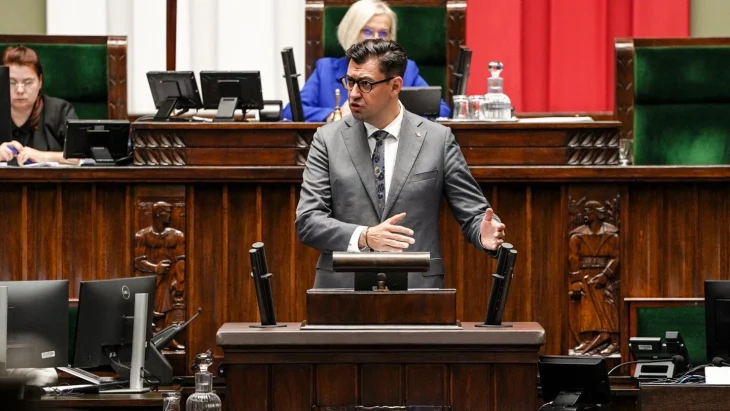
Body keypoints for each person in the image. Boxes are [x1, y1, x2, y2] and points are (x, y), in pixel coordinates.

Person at [295, 39, 504, 289]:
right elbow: (308, 220)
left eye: (365, 84)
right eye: (350, 81)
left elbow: (474, 213)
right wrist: (364, 237)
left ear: (395, 86)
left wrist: (483, 232)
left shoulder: (437, 139)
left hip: (417, 288)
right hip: (342, 288)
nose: (353, 93)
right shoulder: (327, 139)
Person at [282, 0, 450, 122]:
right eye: (368, 31)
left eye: (383, 33)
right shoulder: (325, 69)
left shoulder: (407, 69)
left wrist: (393, 116)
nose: (376, 38)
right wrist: (335, 115)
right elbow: (291, 112)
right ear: (351, 32)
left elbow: (441, 110)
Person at [0, 45, 78, 165]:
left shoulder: (60, 111)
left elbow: (79, 157)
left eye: (28, 82)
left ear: (40, 81)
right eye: (11, 82)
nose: (20, 90)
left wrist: (44, 156)